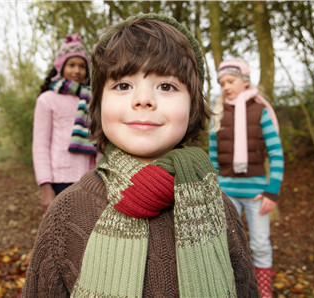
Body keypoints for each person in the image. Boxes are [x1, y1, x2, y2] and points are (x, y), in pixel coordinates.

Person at [23, 14, 259, 297]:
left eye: (167, 86)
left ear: (193, 106)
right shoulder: (65, 213)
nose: (143, 99)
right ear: (97, 105)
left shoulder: (218, 208)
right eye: (123, 86)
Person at [209, 58, 284, 297]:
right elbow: (212, 158)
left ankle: (263, 292)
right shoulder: (217, 114)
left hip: (257, 195)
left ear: (244, 80)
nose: (226, 87)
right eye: (221, 83)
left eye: (230, 81)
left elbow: (276, 154)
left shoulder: (260, 111)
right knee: (227, 246)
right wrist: (215, 188)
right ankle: (232, 290)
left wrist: (271, 191)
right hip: (226, 193)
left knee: (260, 245)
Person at [32, 34, 96, 213]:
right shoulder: (47, 100)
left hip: (91, 179)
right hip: (59, 180)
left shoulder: (92, 100)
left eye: (82, 66)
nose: (77, 71)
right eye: (72, 65)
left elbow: (99, 141)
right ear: (61, 67)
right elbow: (40, 146)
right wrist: (46, 187)